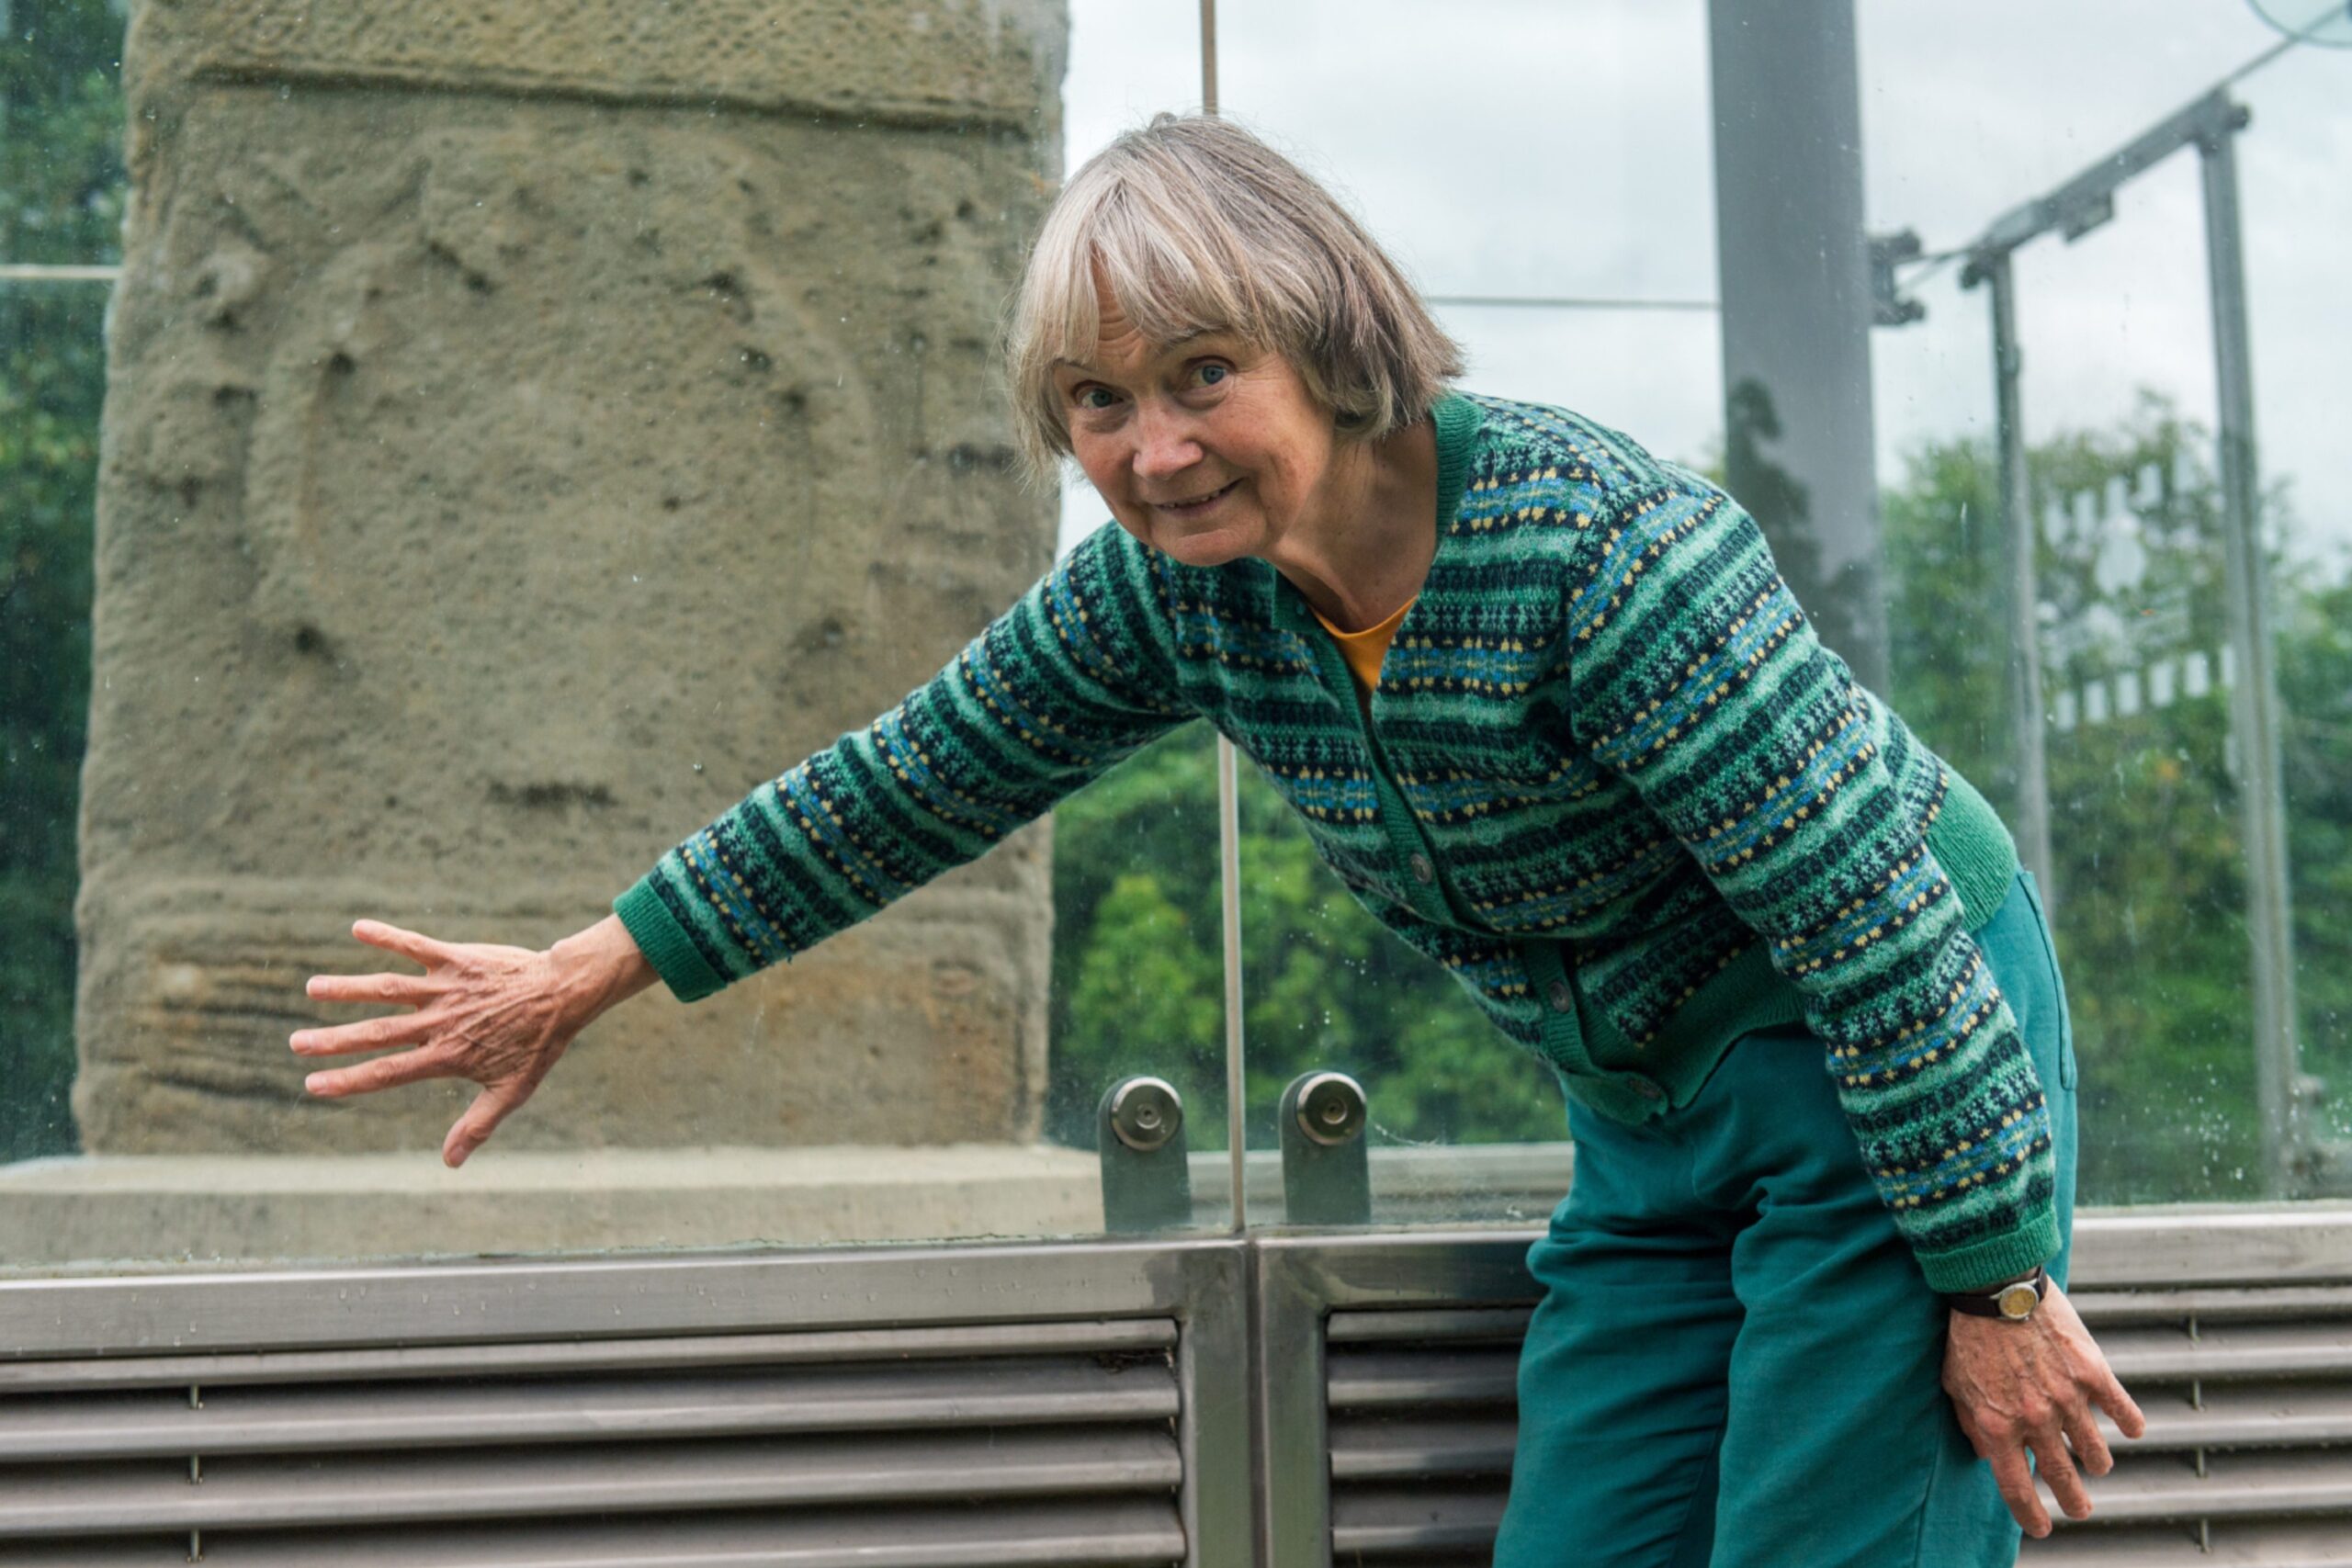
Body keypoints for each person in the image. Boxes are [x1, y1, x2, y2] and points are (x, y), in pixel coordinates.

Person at [290, 112, 2145, 1565]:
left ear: (1333, 350)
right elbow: (904, 780)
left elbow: (1877, 931)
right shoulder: (1178, 599)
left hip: (1881, 1067)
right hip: (1645, 1109)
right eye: (1097, 400)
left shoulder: (1601, 556)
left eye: (1198, 375)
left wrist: (1984, 1278)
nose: (1150, 447)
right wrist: (588, 967)